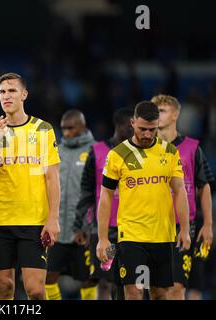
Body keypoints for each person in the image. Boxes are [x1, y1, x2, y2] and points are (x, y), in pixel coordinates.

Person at [0, 72, 60, 300]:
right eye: (2, 92)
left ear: (24, 94)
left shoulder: (43, 129)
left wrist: (53, 218)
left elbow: (52, 177)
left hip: (34, 221)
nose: (6, 96)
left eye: (12, 91)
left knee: (36, 291)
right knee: (3, 288)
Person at [96, 101, 191, 300]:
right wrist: (103, 238)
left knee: (160, 294)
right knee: (134, 292)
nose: (147, 135)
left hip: (162, 235)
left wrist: (184, 229)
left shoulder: (170, 152)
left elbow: (180, 191)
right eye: (142, 129)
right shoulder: (117, 155)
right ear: (132, 123)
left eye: (152, 130)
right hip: (131, 235)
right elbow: (105, 196)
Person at [151, 94, 214, 300]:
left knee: (177, 288)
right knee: (157, 291)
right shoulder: (143, 149)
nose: (157, 115)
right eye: (155, 111)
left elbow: (203, 186)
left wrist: (208, 224)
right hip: (150, 225)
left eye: (162, 111)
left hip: (182, 226)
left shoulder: (192, 147)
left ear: (176, 114)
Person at [74, 108, 134, 300]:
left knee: (128, 283)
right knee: (104, 281)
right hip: (105, 229)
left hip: (133, 228)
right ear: (119, 125)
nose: (134, 130)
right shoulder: (98, 151)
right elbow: (86, 190)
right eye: (130, 125)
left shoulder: (139, 154)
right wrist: (81, 224)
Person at [45, 109, 97, 300]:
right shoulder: (56, 151)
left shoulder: (96, 151)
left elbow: (99, 194)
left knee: (89, 280)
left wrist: (89, 227)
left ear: (82, 126)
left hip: (83, 231)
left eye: (70, 128)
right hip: (58, 230)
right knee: (48, 277)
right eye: (63, 128)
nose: (66, 133)